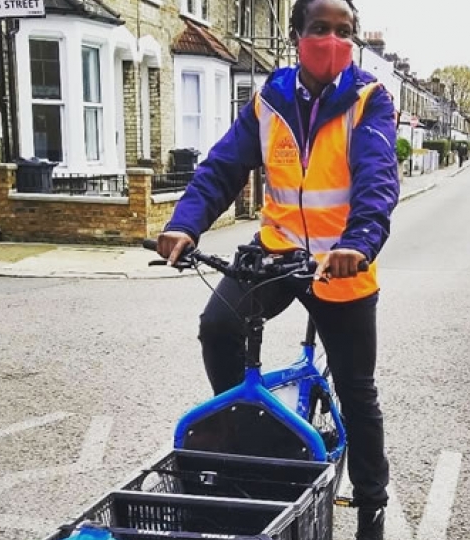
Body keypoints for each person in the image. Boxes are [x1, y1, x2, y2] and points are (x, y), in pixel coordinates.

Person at [155, 1, 398, 538]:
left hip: (343, 263)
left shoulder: (369, 99)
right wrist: (185, 224)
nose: (332, 40)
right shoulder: (270, 99)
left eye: (344, 31)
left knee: (358, 390)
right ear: (296, 36)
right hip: (279, 252)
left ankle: (373, 509)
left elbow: (378, 178)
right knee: (218, 328)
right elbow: (222, 167)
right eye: (320, 29)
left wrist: (359, 241)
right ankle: (247, 444)